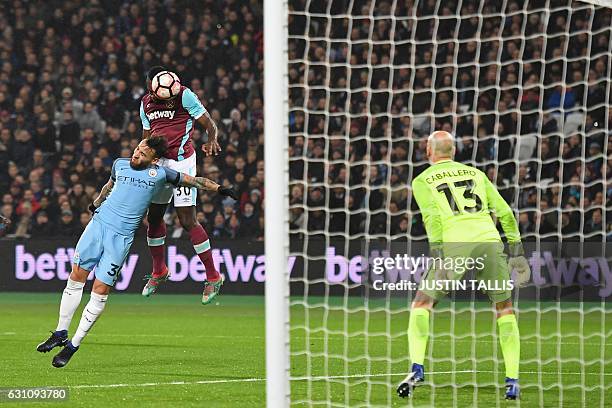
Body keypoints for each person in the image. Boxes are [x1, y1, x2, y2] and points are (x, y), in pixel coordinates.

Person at [36, 136, 237, 368]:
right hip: (98, 226)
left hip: (120, 238)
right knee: (75, 278)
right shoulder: (119, 164)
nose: (137, 153)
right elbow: (108, 186)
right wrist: (96, 203)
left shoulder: (162, 174)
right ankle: (60, 332)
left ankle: (73, 345)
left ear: (155, 159)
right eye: (137, 148)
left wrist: (220, 188)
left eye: (143, 152)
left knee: (100, 291)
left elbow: (194, 181)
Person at [396, 131, 531, 401]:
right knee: (504, 310)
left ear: (428, 150)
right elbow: (504, 212)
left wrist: (437, 251)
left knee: (421, 304)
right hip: (489, 241)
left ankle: (417, 368)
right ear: (454, 151)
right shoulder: (476, 174)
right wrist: (516, 252)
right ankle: (512, 381)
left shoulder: (422, 180)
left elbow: (432, 216)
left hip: (455, 244)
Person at [139, 66, 224, 304]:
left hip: (183, 163)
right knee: (154, 218)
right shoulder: (145, 103)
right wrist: (144, 157)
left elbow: (209, 123)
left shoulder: (184, 95)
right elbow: (146, 138)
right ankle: (159, 271)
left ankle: (213, 276)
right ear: (151, 85)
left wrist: (212, 140)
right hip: (160, 164)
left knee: (187, 220)